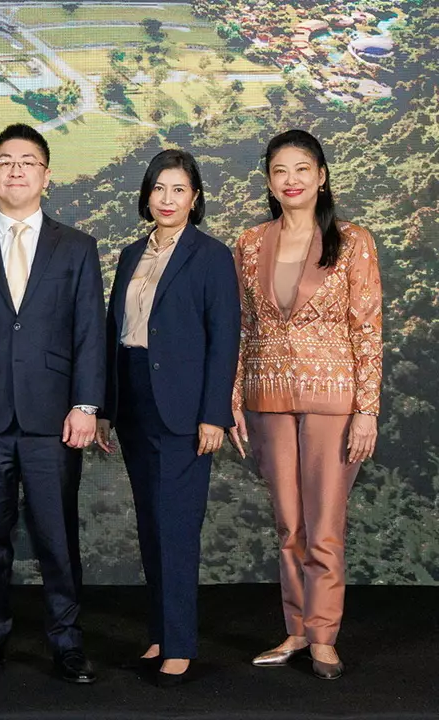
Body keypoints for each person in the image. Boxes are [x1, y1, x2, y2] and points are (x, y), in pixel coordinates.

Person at [0, 124, 104, 684]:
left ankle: (67, 642)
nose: (16, 170)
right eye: (5, 161)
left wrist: (86, 405)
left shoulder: (77, 247)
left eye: (27, 161)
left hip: (53, 418)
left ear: (46, 175)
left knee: (57, 538)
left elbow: (90, 332)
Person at [231, 130, 382, 681]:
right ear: (269, 182)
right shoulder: (250, 243)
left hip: (334, 400)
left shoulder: (353, 240)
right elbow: (241, 327)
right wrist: (233, 397)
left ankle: (323, 635)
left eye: (301, 169)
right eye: (279, 171)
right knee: (288, 524)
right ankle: (295, 628)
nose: (291, 180)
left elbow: (367, 328)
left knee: (323, 527)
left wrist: (367, 408)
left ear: (321, 176)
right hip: (266, 396)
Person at [94, 149, 240, 686]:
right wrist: (105, 408)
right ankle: (159, 632)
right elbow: (112, 332)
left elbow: (224, 339)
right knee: (150, 523)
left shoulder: (211, 256)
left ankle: (179, 645)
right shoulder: (132, 254)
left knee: (176, 526)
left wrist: (213, 415)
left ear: (195, 198)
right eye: (159, 188)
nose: (167, 199)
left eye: (179, 189)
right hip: (133, 399)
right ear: (146, 195)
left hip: (184, 407)